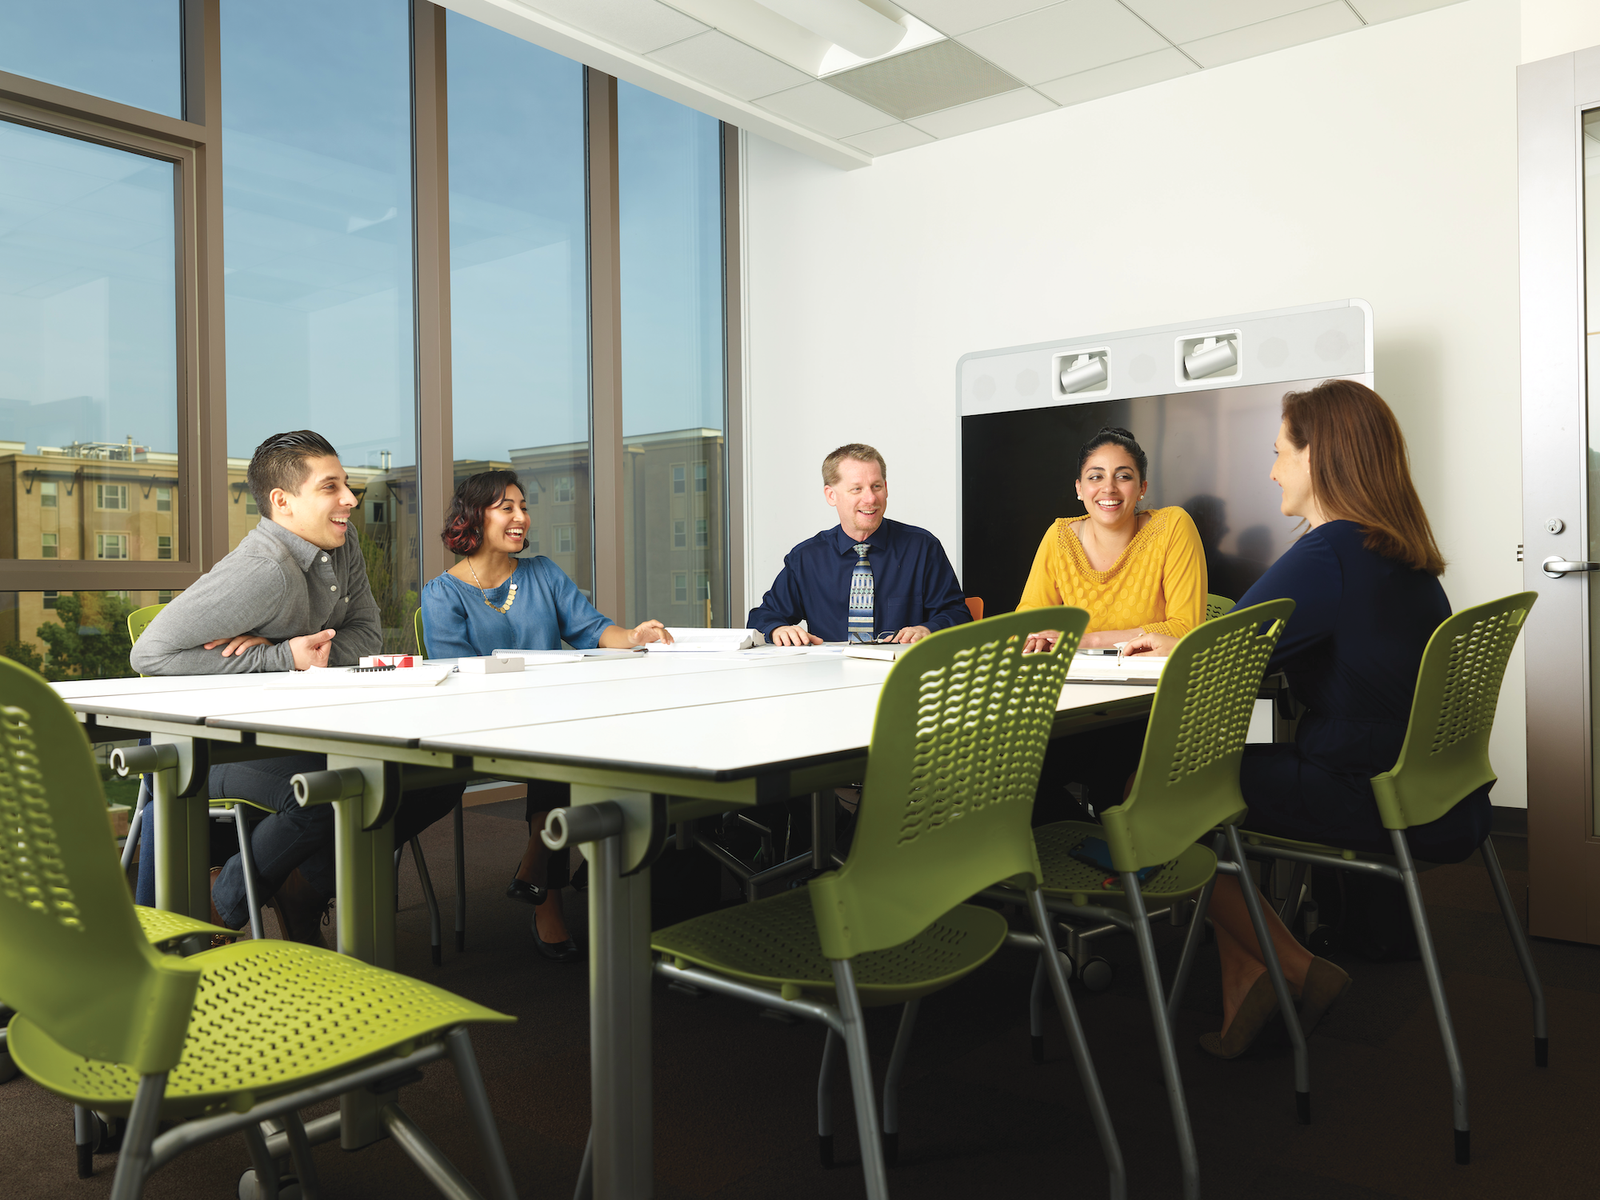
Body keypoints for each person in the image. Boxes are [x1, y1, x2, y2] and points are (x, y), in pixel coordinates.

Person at [1123, 379, 1487, 1057]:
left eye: (1279, 452)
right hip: (1440, 793)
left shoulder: (1329, 552)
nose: (1270, 470)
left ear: (1319, 458)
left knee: (1155, 796)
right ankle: (1248, 973)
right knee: (1215, 783)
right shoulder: (1398, 554)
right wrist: (1185, 640)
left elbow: (1219, 661)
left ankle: (1292, 966)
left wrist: (1177, 647)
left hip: (1365, 789)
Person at [129, 430, 462, 946]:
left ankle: (301, 885)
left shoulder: (342, 540)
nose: (350, 499)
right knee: (332, 791)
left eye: (347, 485)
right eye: (331, 488)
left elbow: (367, 636)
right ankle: (222, 908)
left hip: (298, 730)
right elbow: (149, 655)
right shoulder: (262, 570)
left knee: (440, 777)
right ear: (282, 502)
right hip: (214, 748)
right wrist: (284, 655)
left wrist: (284, 648)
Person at [420, 469, 673, 962]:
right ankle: (548, 876)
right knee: (563, 749)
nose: (521, 518)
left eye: (523, 507)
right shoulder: (442, 593)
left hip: (551, 719)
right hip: (484, 725)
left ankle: (540, 865)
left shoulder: (543, 573)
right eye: (506, 508)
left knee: (573, 743)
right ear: (475, 516)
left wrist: (635, 636)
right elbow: (457, 676)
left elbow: (592, 629)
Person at [1016, 426, 1207, 819]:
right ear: (1079, 489)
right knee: (1009, 777)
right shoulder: (1058, 537)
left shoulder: (1172, 527)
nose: (1109, 488)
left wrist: (1085, 639)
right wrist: (1038, 639)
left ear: (1141, 488)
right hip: (1072, 708)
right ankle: (1084, 848)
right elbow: (1028, 625)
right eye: (1096, 476)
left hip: (1150, 711)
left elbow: (1186, 627)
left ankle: (1109, 852)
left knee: (1113, 784)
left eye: (1123, 475)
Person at [747, 443, 970, 645]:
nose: (871, 499)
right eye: (857, 489)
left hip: (901, 676)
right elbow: (762, 618)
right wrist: (777, 629)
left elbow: (958, 613)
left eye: (876, 486)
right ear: (831, 495)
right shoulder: (806, 558)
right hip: (828, 678)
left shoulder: (922, 548)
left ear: (886, 488)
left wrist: (927, 628)